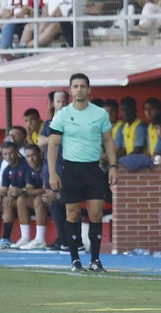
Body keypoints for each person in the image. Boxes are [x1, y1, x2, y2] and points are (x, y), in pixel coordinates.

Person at [46, 72, 119, 272]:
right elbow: (52, 145)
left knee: (96, 213)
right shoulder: (62, 114)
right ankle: (75, 260)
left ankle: (95, 260)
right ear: (70, 90)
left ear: (89, 89)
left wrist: (113, 167)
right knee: (73, 213)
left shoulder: (100, 114)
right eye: (75, 86)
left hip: (93, 169)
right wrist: (52, 173)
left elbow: (108, 141)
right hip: (70, 169)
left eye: (82, 86)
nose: (79, 89)